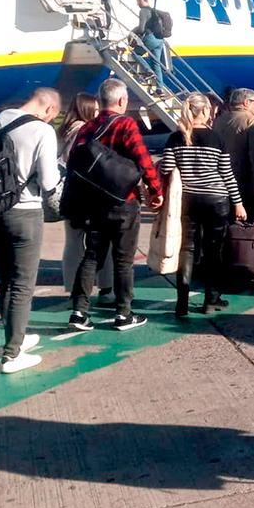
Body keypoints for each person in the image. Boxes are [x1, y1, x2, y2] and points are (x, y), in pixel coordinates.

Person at [68, 79, 164, 332]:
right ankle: (123, 313)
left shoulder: (87, 128)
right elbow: (143, 160)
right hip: (124, 202)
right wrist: (156, 191)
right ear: (122, 100)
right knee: (123, 260)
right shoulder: (125, 124)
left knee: (92, 256)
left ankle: (79, 312)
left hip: (94, 202)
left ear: (100, 100)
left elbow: (74, 163)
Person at [0, 88, 62, 373]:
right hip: (24, 213)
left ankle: (14, 335)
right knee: (22, 284)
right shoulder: (42, 131)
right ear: (49, 109)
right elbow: (49, 182)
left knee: (6, 279)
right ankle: (12, 354)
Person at [159, 93, 247, 316]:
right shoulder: (216, 139)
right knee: (213, 249)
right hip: (216, 200)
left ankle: (182, 302)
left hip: (188, 199)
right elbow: (227, 174)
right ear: (206, 111)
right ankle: (211, 298)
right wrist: (238, 203)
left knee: (186, 248)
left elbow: (166, 169)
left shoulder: (175, 138)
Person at [58, 92, 113, 302]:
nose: (99, 114)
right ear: (88, 110)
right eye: (96, 110)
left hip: (70, 192)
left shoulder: (63, 131)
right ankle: (106, 288)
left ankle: (72, 288)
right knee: (102, 241)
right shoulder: (86, 131)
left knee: (73, 242)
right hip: (90, 194)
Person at [214, 88, 254, 218]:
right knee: (245, 224)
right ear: (246, 102)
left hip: (220, 181)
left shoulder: (219, 120)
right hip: (244, 182)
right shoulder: (252, 121)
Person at [133, 0, 167, 90]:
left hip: (151, 38)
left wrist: (134, 32)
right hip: (160, 40)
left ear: (141, 0)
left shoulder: (143, 11)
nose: (137, 4)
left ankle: (148, 71)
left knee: (135, 53)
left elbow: (141, 29)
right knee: (156, 63)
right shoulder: (154, 11)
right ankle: (160, 88)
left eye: (137, 1)